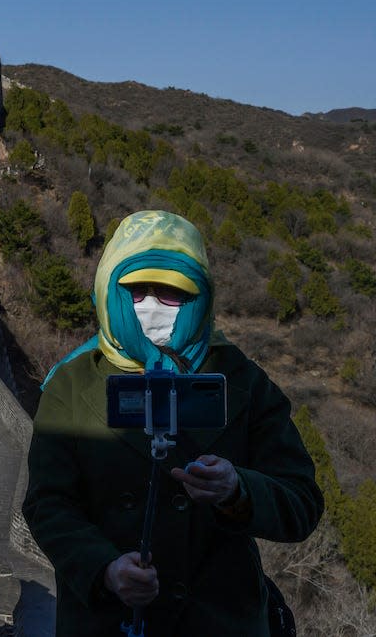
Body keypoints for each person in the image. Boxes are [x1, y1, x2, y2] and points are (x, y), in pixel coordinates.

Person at [22, 209, 323, 637]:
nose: (151, 307)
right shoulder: (71, 383)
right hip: (108, 620)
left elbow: (302, 502)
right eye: (137, 291)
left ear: (200, 296)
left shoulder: (243, 381)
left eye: (171, 295)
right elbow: (47, 503)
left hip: (219, 622)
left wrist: (238, 490)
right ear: (109, 291)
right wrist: (105, 568)